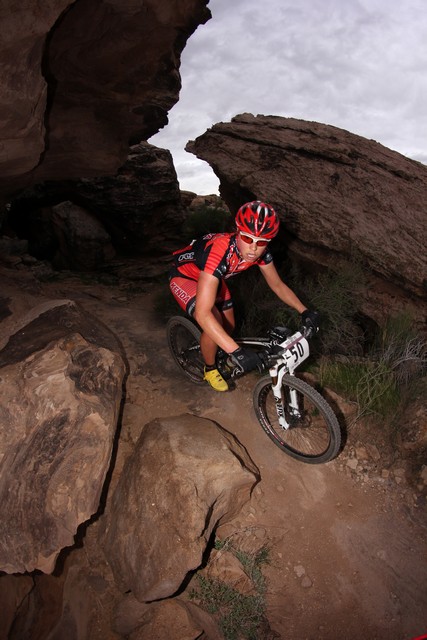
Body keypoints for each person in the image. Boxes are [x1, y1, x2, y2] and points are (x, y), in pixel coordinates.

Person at [169, 200, 319, 391]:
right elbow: (202, 314)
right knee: (213, 320)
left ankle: (219, 347)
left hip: (213, 279)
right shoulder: (219, 251)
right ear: (237, 232)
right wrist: (236, 352)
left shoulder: (261, 253)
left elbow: (278, 285)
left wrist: (305, 311)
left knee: (228, 326)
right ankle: (210, 368)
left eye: (262, 242)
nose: (254, 248)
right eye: (248, 239)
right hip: (185, 277)